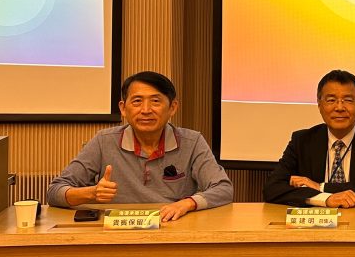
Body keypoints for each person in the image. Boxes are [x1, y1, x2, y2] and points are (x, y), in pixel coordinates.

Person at [46, 71, 233, 221]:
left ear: (173, 108)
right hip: (117, 233)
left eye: (155, 101)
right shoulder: (104, 141)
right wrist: (91, 193)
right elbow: (55, 191)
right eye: (137, 101)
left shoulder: (192, 142)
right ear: (123, 108)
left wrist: (186, 204)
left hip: (172, 227)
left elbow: (223, 188)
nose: (145, 110)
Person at [263, 69, 355, 207]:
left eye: (348, 100)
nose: (339, 107)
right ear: (319, 104)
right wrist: (324, 199)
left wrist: (321, 187)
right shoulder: (302, 141)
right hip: (316, 220)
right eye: (331, 100)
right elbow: (272, 188)